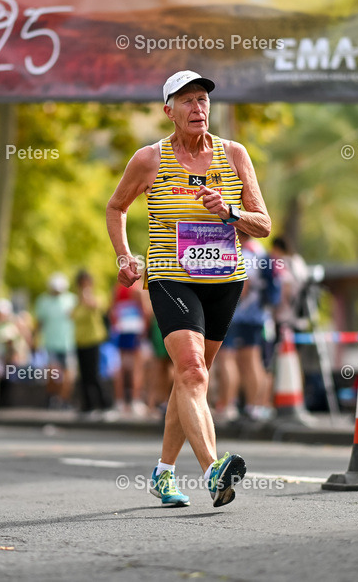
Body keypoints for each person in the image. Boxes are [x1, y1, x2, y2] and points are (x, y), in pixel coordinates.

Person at [106, 69, 271, 508]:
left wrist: (231, 212)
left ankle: (163, 473)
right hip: (169, 275)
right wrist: (124, 256)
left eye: (203, 100)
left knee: (189, 380)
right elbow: (116, 206)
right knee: (194, 371)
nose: (198, 108)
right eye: (187, 101)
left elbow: (264, 225)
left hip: (225, 281)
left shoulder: (233, 154)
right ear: (168, 111)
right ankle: (213, 469)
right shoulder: (149, 159)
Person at [216, 231, 272, 423]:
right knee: (252, 360)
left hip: (242, 314)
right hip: (257, 314)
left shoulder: (246, 253)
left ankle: (237, 405)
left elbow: (244, 285)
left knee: (234, 359)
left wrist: (225, 307)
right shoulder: (259, 250)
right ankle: (254, 406)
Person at [34, 273, 77, 409]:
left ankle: (64, 400)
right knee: (53, 372)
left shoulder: (72, 300)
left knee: (69, 374)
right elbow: (39, 322)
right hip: (51, 343)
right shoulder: (43, 301)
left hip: (69, 342)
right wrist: (34, 338)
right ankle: (51, 397)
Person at [72, 269, 109, 418]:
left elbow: (96, 306)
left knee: (94, 374)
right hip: (80, 341)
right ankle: (87, 405)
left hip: (93, 340)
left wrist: (87, 296)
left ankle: (104, 404)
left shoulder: (97, 296)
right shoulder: (77, 301)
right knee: (84, 375)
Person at [110, 281, 149, 416]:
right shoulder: (137, 289)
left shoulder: (117, 289)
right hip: (135, 330)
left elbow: (112, 310)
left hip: (121, 330)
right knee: (136, 367)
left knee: (121, 366)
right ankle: (135, 400)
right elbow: (145, 311)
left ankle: (120, 401)